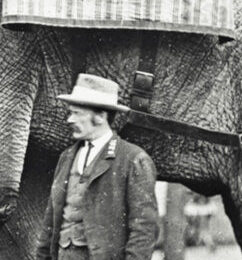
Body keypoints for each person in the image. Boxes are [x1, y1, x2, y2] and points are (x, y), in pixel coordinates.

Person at [36, 74, 158, 260]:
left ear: (100, 117)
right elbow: (50, 221)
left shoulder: (133, 159)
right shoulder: (67, 156)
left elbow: (144, 228)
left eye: (76, 113)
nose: (69, 120)